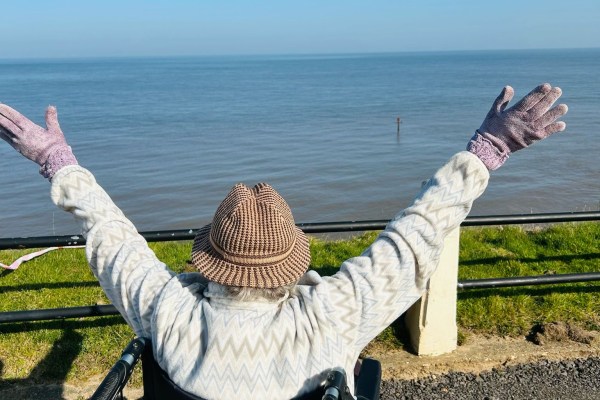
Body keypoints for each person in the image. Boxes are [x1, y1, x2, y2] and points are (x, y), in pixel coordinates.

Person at [0, 83, 568, 399]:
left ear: (210, 261)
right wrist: (489, 150)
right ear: (291, 262)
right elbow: (417, 236)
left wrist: (56, 160)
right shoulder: (333, 316)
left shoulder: (168, 314)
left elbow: (111, 237)